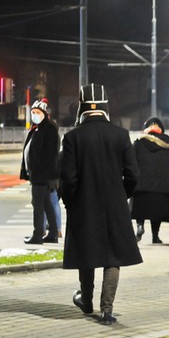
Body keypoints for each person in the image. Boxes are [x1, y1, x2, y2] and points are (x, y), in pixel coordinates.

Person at [60, 83, 143, 325]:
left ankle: (86, 302)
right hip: (114, 205)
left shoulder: (72, 137)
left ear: (81, 108)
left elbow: (68, 178)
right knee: (112, 256)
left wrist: (70, 201)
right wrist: (122, 194)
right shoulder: (120, 135)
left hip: (83, 204)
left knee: (86, 253)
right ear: (106, 107)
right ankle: (107, 310)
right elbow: (134, 175)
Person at [131, 117, 169, 244]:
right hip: (162, 184)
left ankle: (140, 226)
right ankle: (155, 236)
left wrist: (130, 177)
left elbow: (131, 161)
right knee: (157, 211)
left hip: (142, 183)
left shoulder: (139, 142)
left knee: (140, 208)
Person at [20, 99, 60, 245]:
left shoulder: (48, 129)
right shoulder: (37, 128)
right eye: (33, 112)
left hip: (42, 174)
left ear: (44, 114)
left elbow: (49, 154)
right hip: (38, 174)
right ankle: (53, 233)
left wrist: (41, 171)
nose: (35, 115)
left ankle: (38, 234)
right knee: (46, 203)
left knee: (38, 204)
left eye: (37, 112)